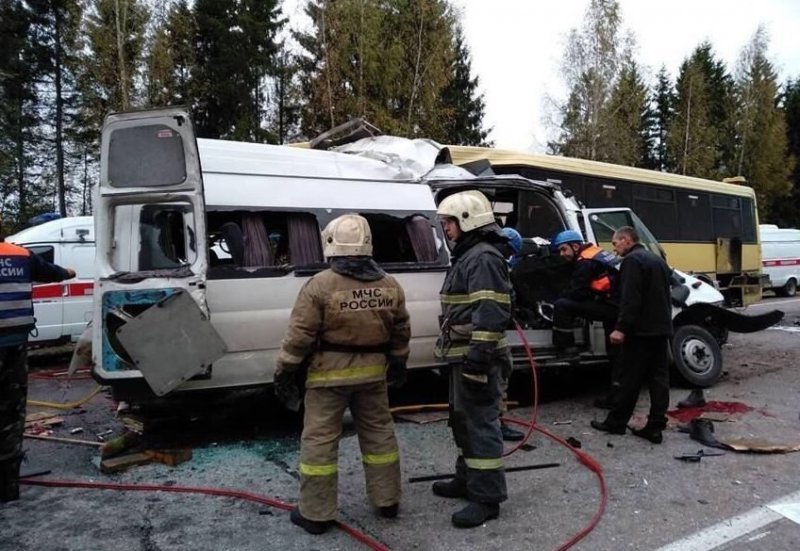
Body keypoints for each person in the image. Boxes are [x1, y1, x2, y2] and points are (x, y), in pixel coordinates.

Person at [273, 214, 411, 535]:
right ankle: (387, 500)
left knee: (320, 442)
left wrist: (284, 371)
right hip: (374, 376)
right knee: (380, 435)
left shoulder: (320, 285)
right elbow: (401, 330)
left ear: (331, 244)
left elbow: (300, 336)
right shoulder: (389, 284)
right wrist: (399, 363)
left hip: (327, 379)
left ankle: (316, 514)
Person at [434, 190, 511, 528]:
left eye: (449, 222)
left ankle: (486, 498)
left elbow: (491, 312)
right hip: (463, 354)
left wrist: (478, 360)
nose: (446, 229)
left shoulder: (481, 258)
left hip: (478, 356)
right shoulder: (468, 256)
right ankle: (467, 479)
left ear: (467, 220)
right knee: (463, 421)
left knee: (480, 425)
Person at [1, 218, 76, 502]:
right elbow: (54, 272)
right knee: (10, 414)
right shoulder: (20, 255)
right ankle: (8, 487)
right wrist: (70, 270)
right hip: (14, 347)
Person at [590, 226, 672, 444]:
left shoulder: (632, 262)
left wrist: (621, 327)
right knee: (659, 379)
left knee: (629, 378)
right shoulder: (656, 260)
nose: (614, 249)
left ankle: (616, 423)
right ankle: (655, 426)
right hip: (661, 329)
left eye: (615, 243)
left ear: (626, 240)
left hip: (640, 331)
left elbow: (630, 298)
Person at [495, 227, 525, 442]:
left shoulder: (474, 256)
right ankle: (497, 423)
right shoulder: (495, 265)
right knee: (500, 377)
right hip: (493, 335)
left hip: (476, 334)